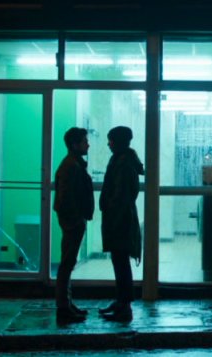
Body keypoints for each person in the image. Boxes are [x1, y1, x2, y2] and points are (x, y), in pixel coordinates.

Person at [98, 126, 143, 323]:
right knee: (120, 262)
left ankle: (124, 305)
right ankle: (121, 301)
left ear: (118, 142)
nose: (108, 144)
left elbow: (120, 195)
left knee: (121, 262)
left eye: (111, 141)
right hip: (121, 218)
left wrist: (111, 212)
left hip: (120, 220)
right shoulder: (124, 160)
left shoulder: (123, 163)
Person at [53, 127, 94, 324]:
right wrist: (76, 219)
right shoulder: (71, 166)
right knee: (67, 264)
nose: (88, 144)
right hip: (73, 222)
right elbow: (65, 198)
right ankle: (63, 307)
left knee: (68, 263)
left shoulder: (73, 164)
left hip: (73, 220)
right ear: (74, 144)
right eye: (84, 141)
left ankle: (67, 304)